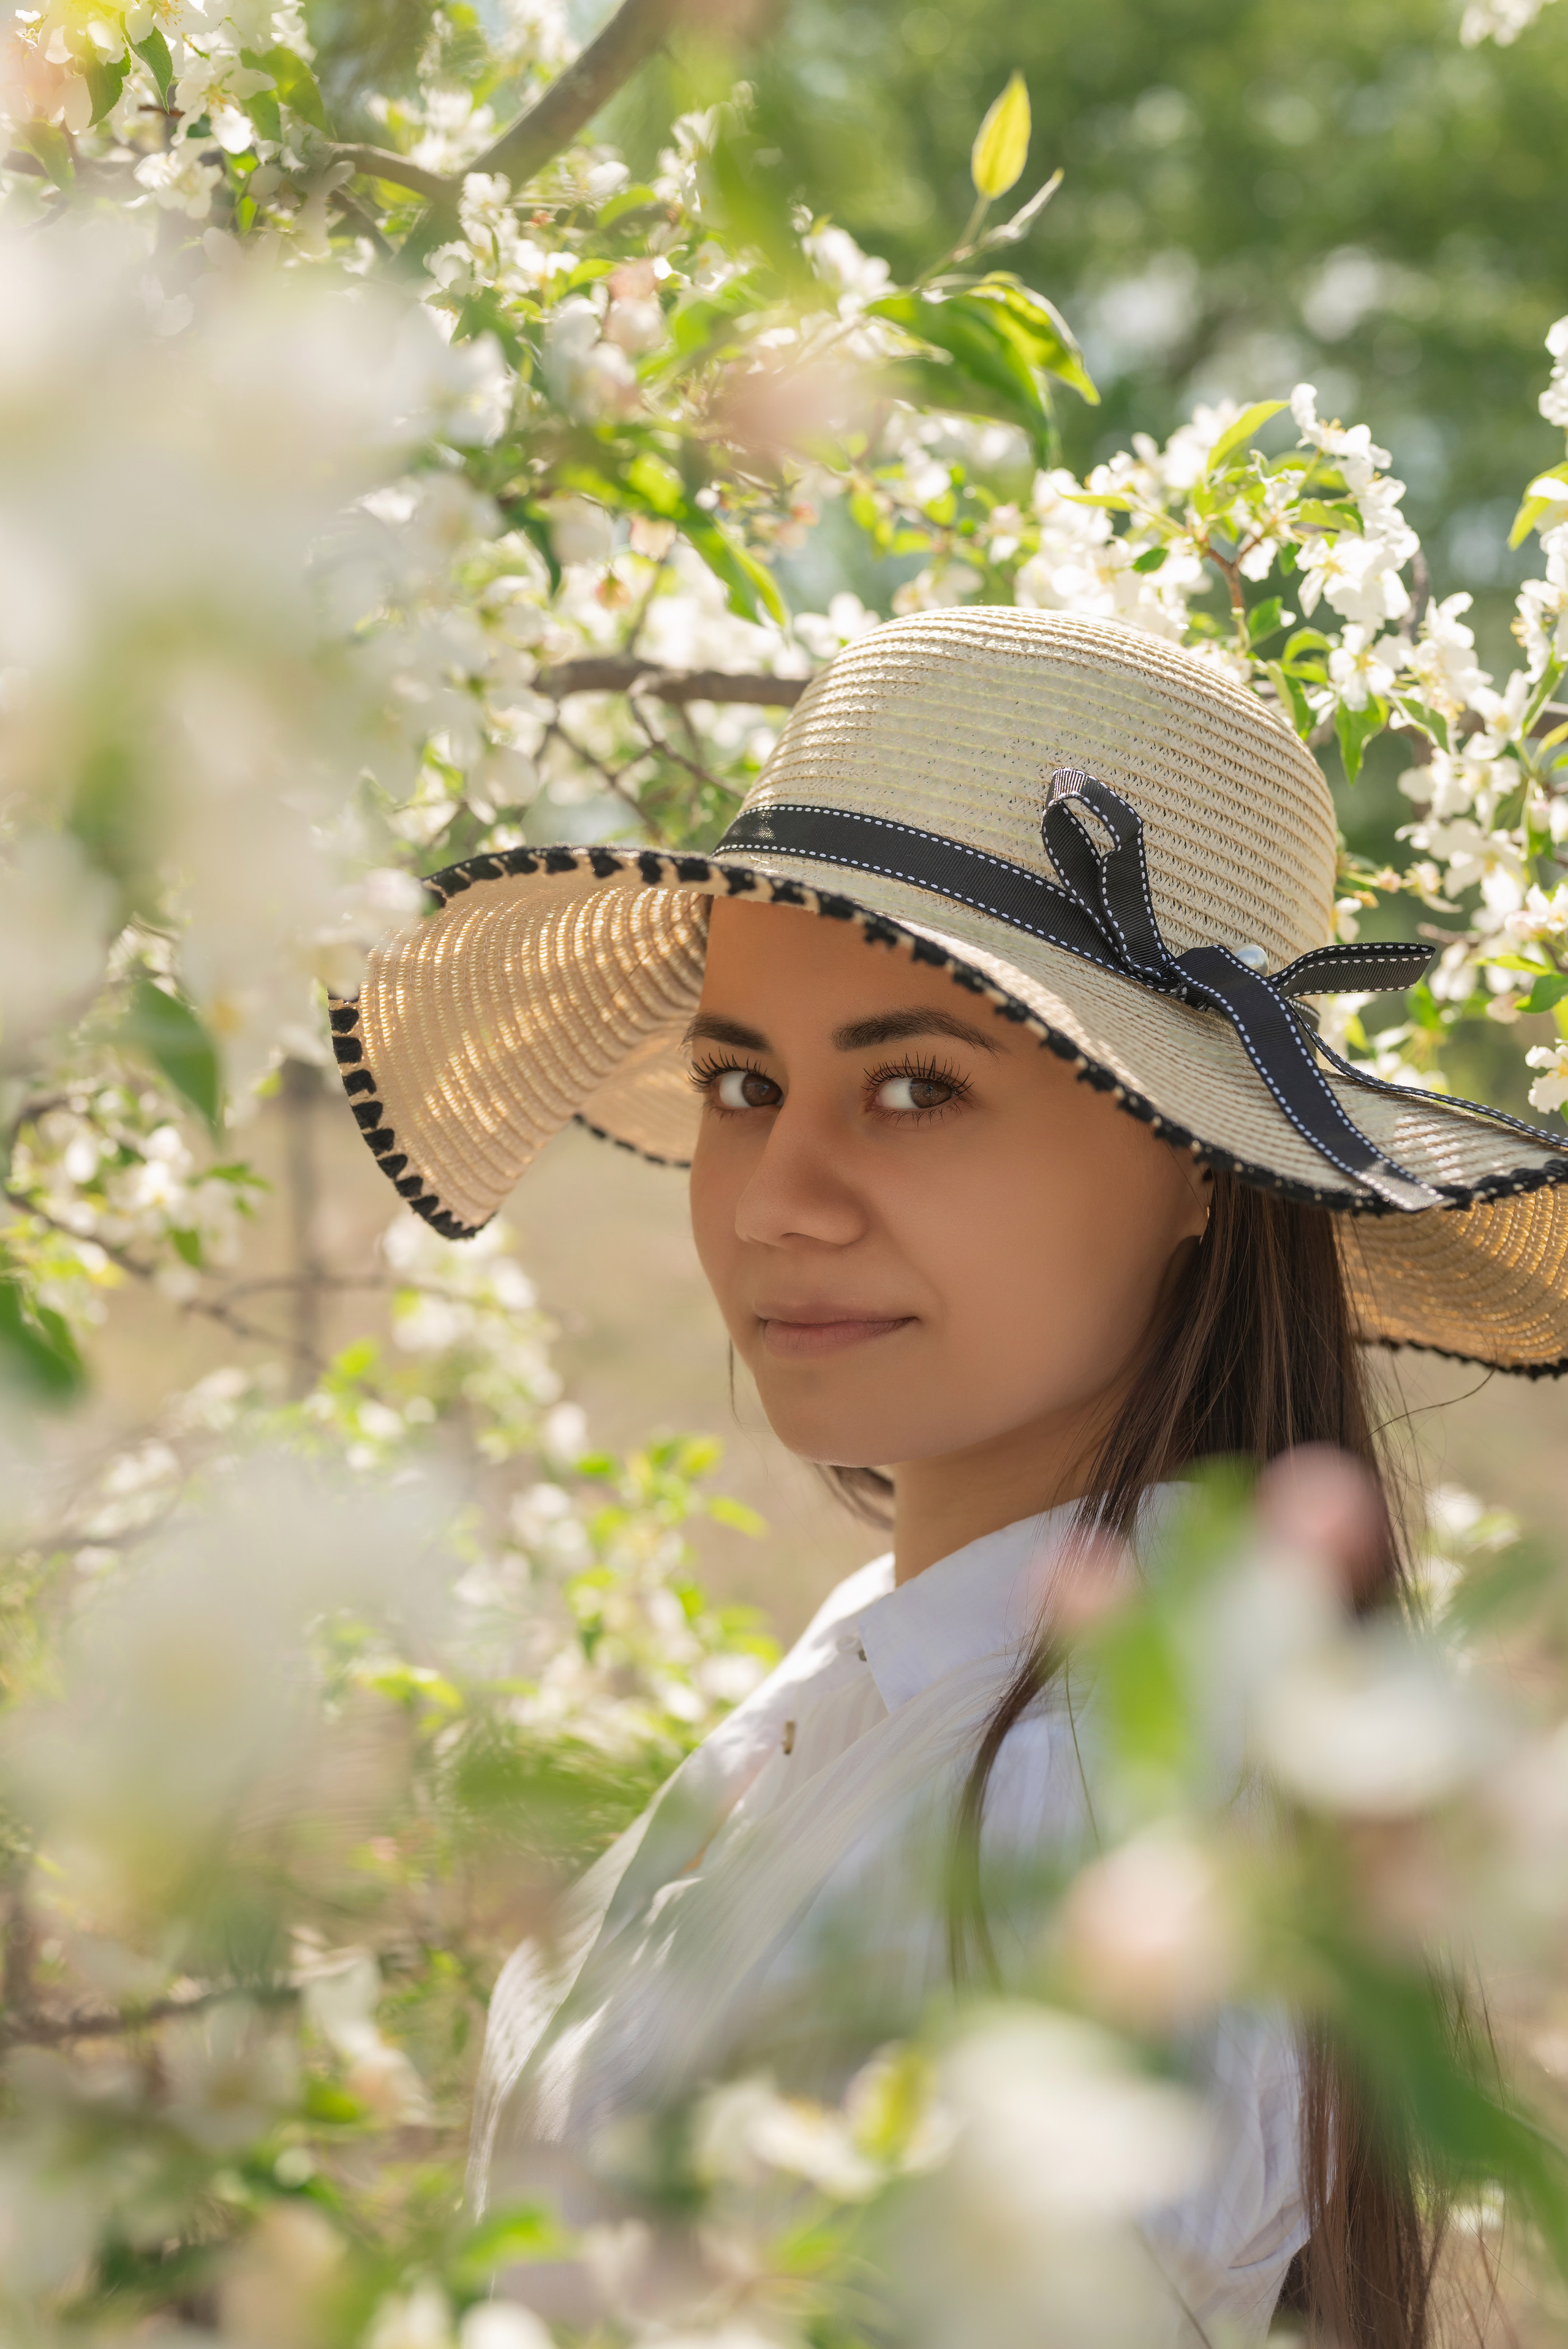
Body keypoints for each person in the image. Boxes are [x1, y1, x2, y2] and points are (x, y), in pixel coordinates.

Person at [333, 608, 1568, 2348]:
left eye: (917, 1085)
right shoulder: (904, 1673)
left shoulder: (1095, 1822)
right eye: (742, 1080)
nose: (776, 1193)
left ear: (1208, 1164)